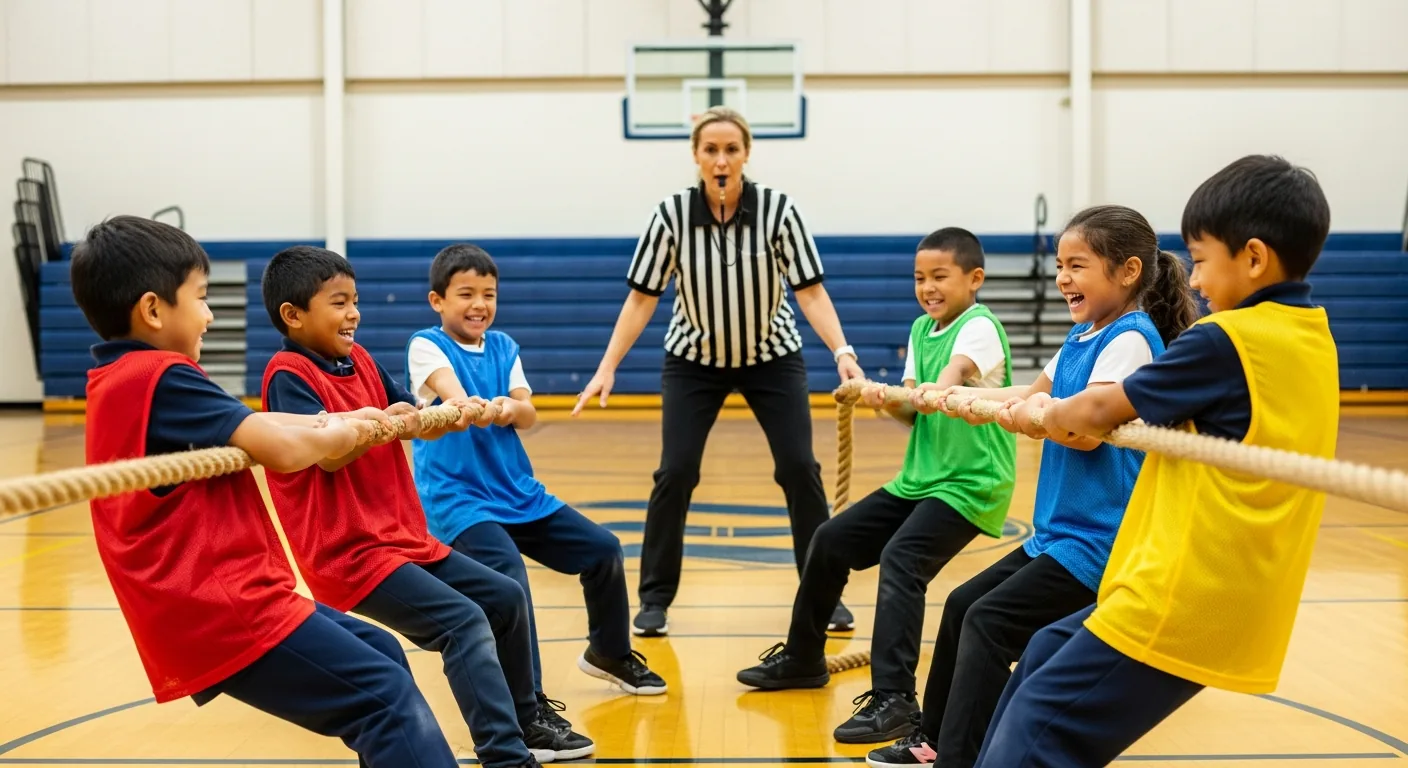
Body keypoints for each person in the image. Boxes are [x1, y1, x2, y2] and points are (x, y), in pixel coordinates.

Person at [974, 154, 1337, 766]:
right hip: (1234, 595)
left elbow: (1090, 415)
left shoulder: (1226, 341)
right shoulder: (1312, 337)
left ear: (1252, 258)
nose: (1192, 281)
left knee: (1038, 731)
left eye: (1200, 260)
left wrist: (1036, 414)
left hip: (1182, 595)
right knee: (1041, 654)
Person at [69, 216, 461, 767]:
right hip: (219, 604)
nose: (209, 315)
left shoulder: (123, 377)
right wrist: (349, 428)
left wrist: (358, 416)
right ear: (154, 309)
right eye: (201, 299)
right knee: (385, 701)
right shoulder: (162, 375)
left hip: (217, 597)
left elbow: (271, 426)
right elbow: (282, 448)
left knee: (382, 654)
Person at [864, 205, 1198, 768]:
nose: (1063, 277)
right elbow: (1028, 393)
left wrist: (1040, 409)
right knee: (964, 604)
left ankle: (961, 756)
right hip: (1057, 534)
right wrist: (951, 401)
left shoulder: (1131, 340)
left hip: (1098, 541)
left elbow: (1083, 432)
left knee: (990, 624)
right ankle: (934, 741)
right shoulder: (1083, 334)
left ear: (1128, 271)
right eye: (1060, 265)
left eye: (1077, 265)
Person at [257, 246, 593, 767]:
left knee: (504, 598)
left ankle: (527, 724)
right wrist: (373, 422)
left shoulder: (360, 358)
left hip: (402, 537)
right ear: (293, 315)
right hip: (351, 552)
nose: (354, 314)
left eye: (356, 301)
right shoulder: (288, 374)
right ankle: (505, 756)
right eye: (339, 303)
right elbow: (324, 458)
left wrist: (450, 412)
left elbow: (409, 414)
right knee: (461, 624)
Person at [573, 106, 863, 637]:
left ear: (746, 154)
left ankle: (826, 596)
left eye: (731, 149)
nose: (721, 159)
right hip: (693, 363)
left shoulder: (779, 211)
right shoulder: (671, 215)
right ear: (696, 157)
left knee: (800, 468)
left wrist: (842, 350)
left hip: (772, 358)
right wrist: (606, 367)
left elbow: (811, 292)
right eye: (711, 150)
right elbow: (641, 298)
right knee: (675, 472)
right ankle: (655, 599)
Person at [736, 227, 1017, 747]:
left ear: (974, 279)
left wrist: (932, 388)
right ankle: (803, 657)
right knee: (830, 540)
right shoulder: (920, 330)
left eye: (939, 277)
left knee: (902, 559)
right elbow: (916, 411)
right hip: (920, 479)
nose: (927, 288)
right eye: (919, 278)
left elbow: (956, 374)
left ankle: (895, 702)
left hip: (971, 484)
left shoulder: (979, 326)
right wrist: (886, 399)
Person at [405, 243, 667, 697]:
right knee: (509, 580)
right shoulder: (427, 345)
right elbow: (449, 389)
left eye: (488, 294)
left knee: (603, 551)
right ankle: (529, 702)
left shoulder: (504, 347)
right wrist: (466, 402)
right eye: (466, 294)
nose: (479, 305)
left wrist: (510, 407)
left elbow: (528, 414)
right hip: (460, 501)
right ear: (438, 301)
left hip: (516, 493)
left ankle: (609, 653)